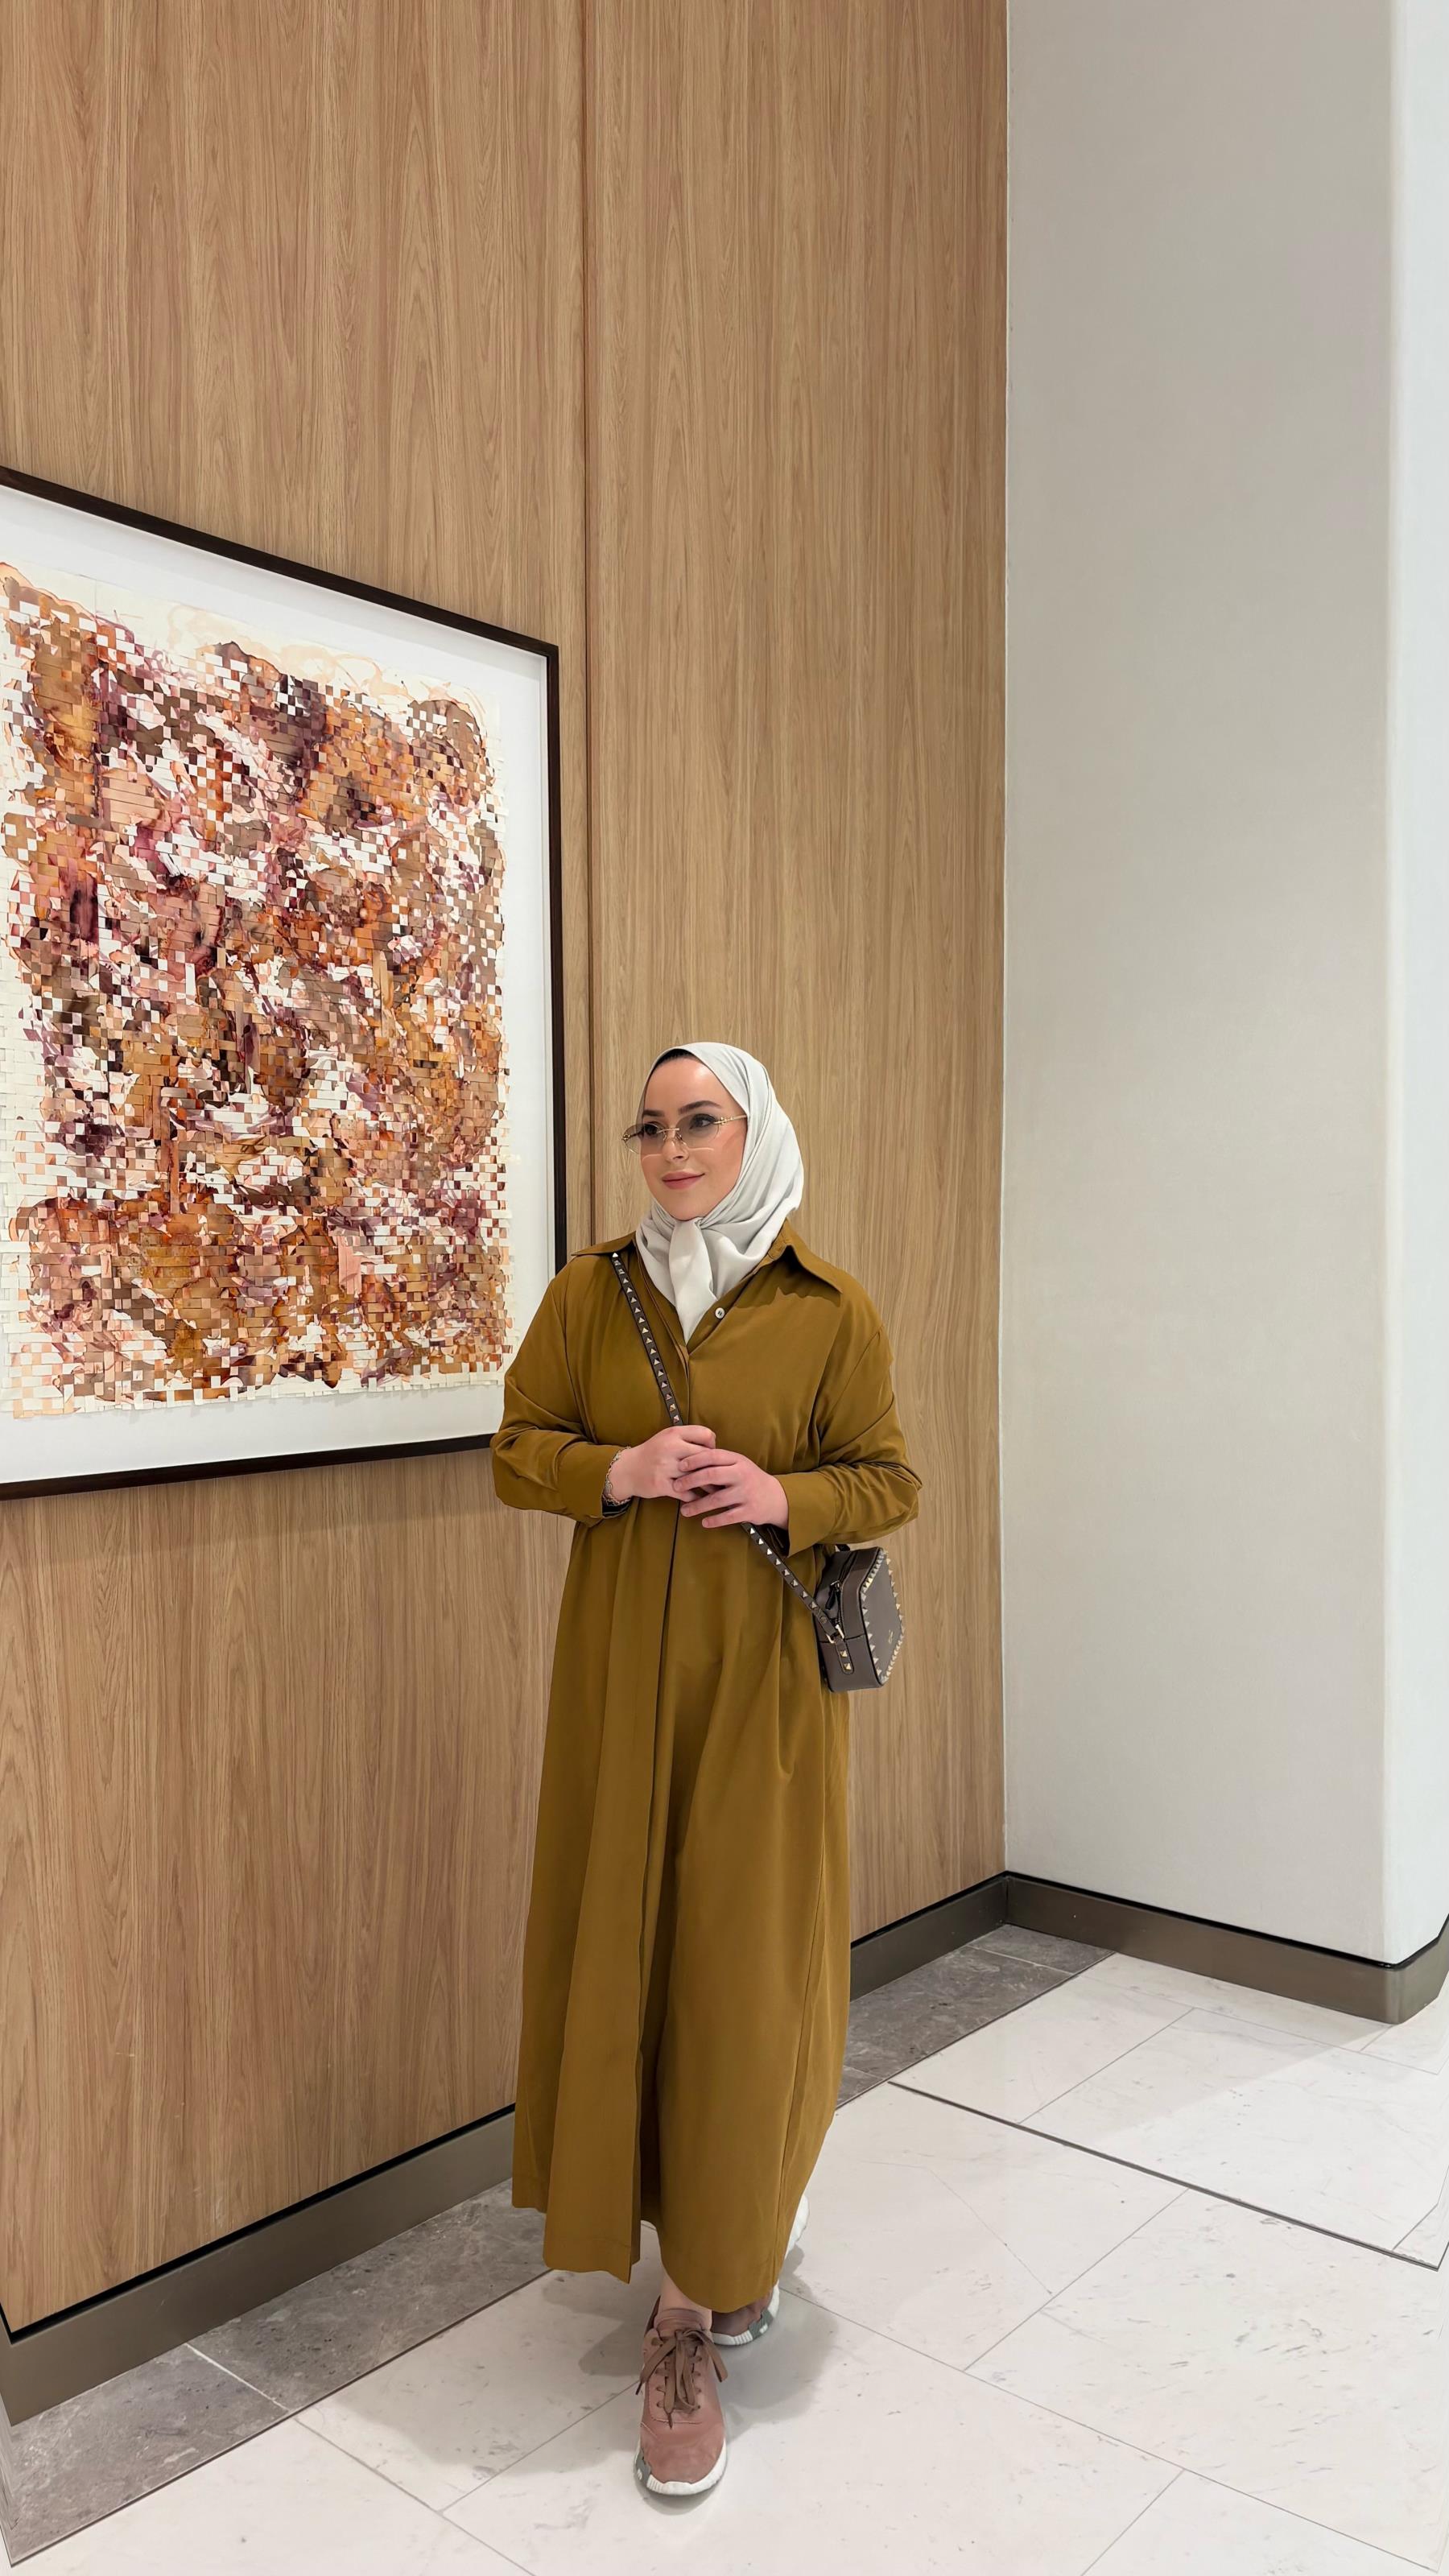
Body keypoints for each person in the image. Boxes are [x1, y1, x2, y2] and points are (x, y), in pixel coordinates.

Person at [491, 1039, 922, 2499]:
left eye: (700, 1122)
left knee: (741, 1975)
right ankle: (677, 2265)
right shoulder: (590, 1294)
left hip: (762, 1698)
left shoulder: (827, 1309)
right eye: (651, 1127)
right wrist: (612, 1472)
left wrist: (782, 1492)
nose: (671, 1149)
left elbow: (891, 1476)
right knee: (632, 1949)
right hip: (621, 1689)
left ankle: (697, 2305)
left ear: (754, 1134)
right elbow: (518, 1447)